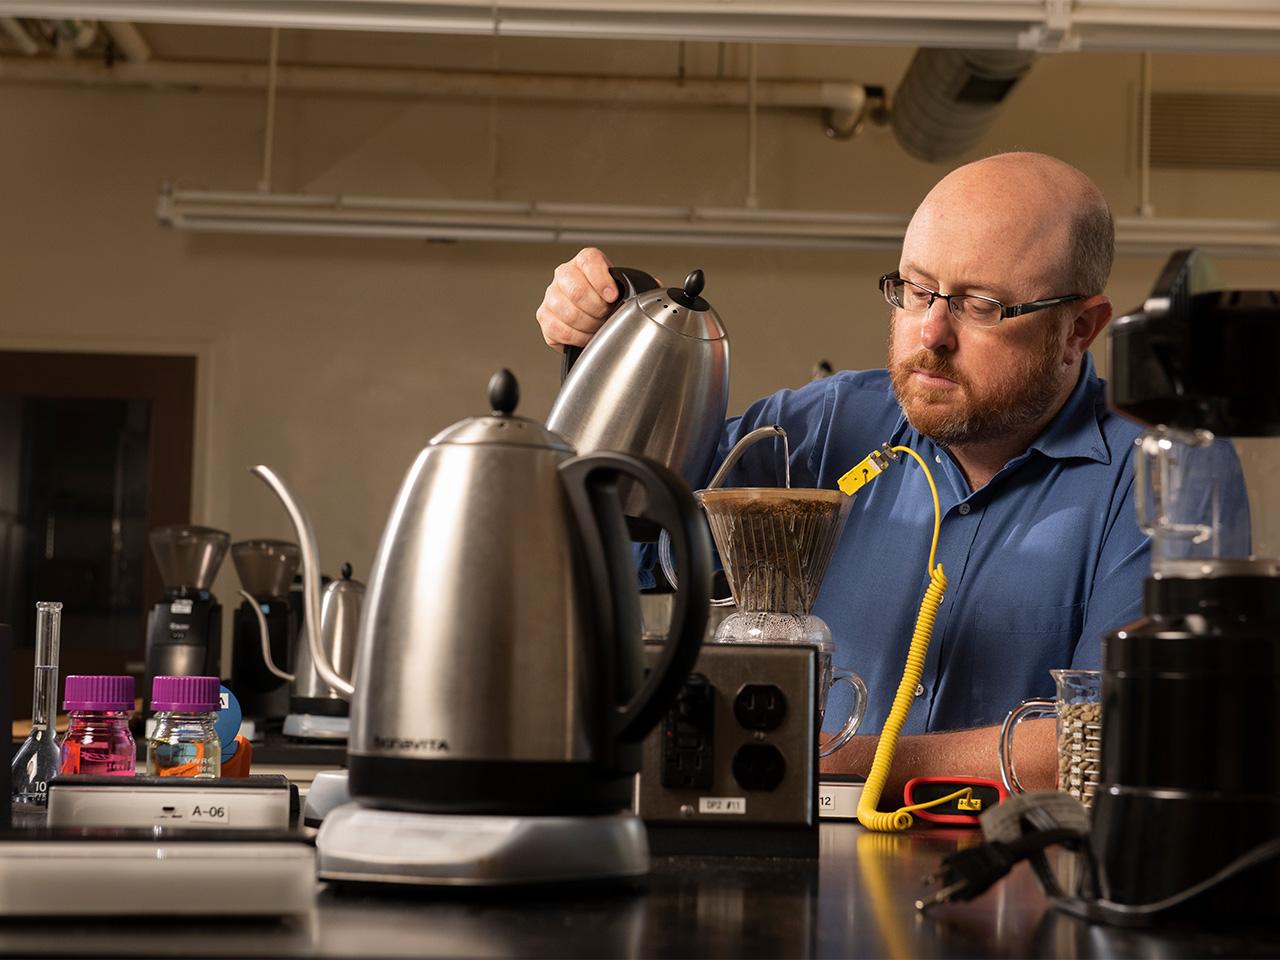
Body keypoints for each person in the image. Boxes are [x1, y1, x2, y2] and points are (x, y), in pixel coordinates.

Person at [534, 152, 1246, 800]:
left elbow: (1119, 736)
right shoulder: (815, 431)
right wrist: (607, 348)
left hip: (1022, 891)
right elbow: (624, 537)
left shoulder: (1165, 472)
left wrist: (836, 759)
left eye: (982, 306)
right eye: (915, 290)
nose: (931, 334)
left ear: (1081, 329)